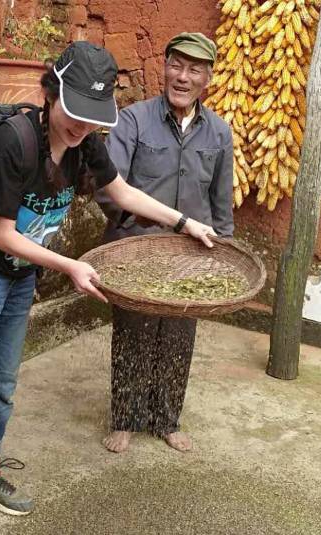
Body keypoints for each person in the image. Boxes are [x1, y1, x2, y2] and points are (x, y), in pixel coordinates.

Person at [0, 41, 217, 535]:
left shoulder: (84, 143)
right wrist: (72, 266)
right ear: (51, 92)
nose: (81, 126)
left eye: (92, 117)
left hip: (15, 278)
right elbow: (1, 234)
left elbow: (121, 192)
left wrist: (184, 222)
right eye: (74, 113)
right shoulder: (15, 142)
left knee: (2, 388)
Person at [97, 32, 234, 454]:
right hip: (136, 250)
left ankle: (166, 418)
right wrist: (146, 222)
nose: (183, 77)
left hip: (190, 259)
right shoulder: (132, 121)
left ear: (208, 77)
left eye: (194, 69)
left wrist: (223, 253)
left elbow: (221, 201)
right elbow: (107, 188)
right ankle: (126, 418)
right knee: (133, 336)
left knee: (178, 337)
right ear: (164, 67)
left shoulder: (218, 133)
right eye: (176, 65)